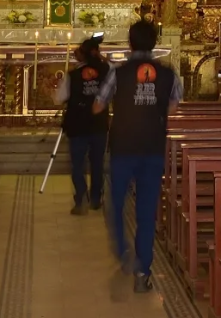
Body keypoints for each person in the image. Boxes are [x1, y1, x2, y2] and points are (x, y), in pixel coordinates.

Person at [93, 18, 182, 293]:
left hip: (123, 147)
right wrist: (153, 115)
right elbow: (174, 105)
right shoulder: (169, 73)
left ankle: (123, 252)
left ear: (130, 43)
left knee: (116, 205)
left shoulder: (117, 72)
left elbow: (98, 106)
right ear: (155, 43)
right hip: (153, 149)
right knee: (146, 212)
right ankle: (144, 270)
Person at [52, 34, 109, 216]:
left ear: (81, 55)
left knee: (78, 163)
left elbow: (59, 98)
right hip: (98, 124)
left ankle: (80, 200)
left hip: (77, 124)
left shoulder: (73, 75)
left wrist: (52, 90)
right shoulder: (106, 72)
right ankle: (95, 199)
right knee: (97, 162)